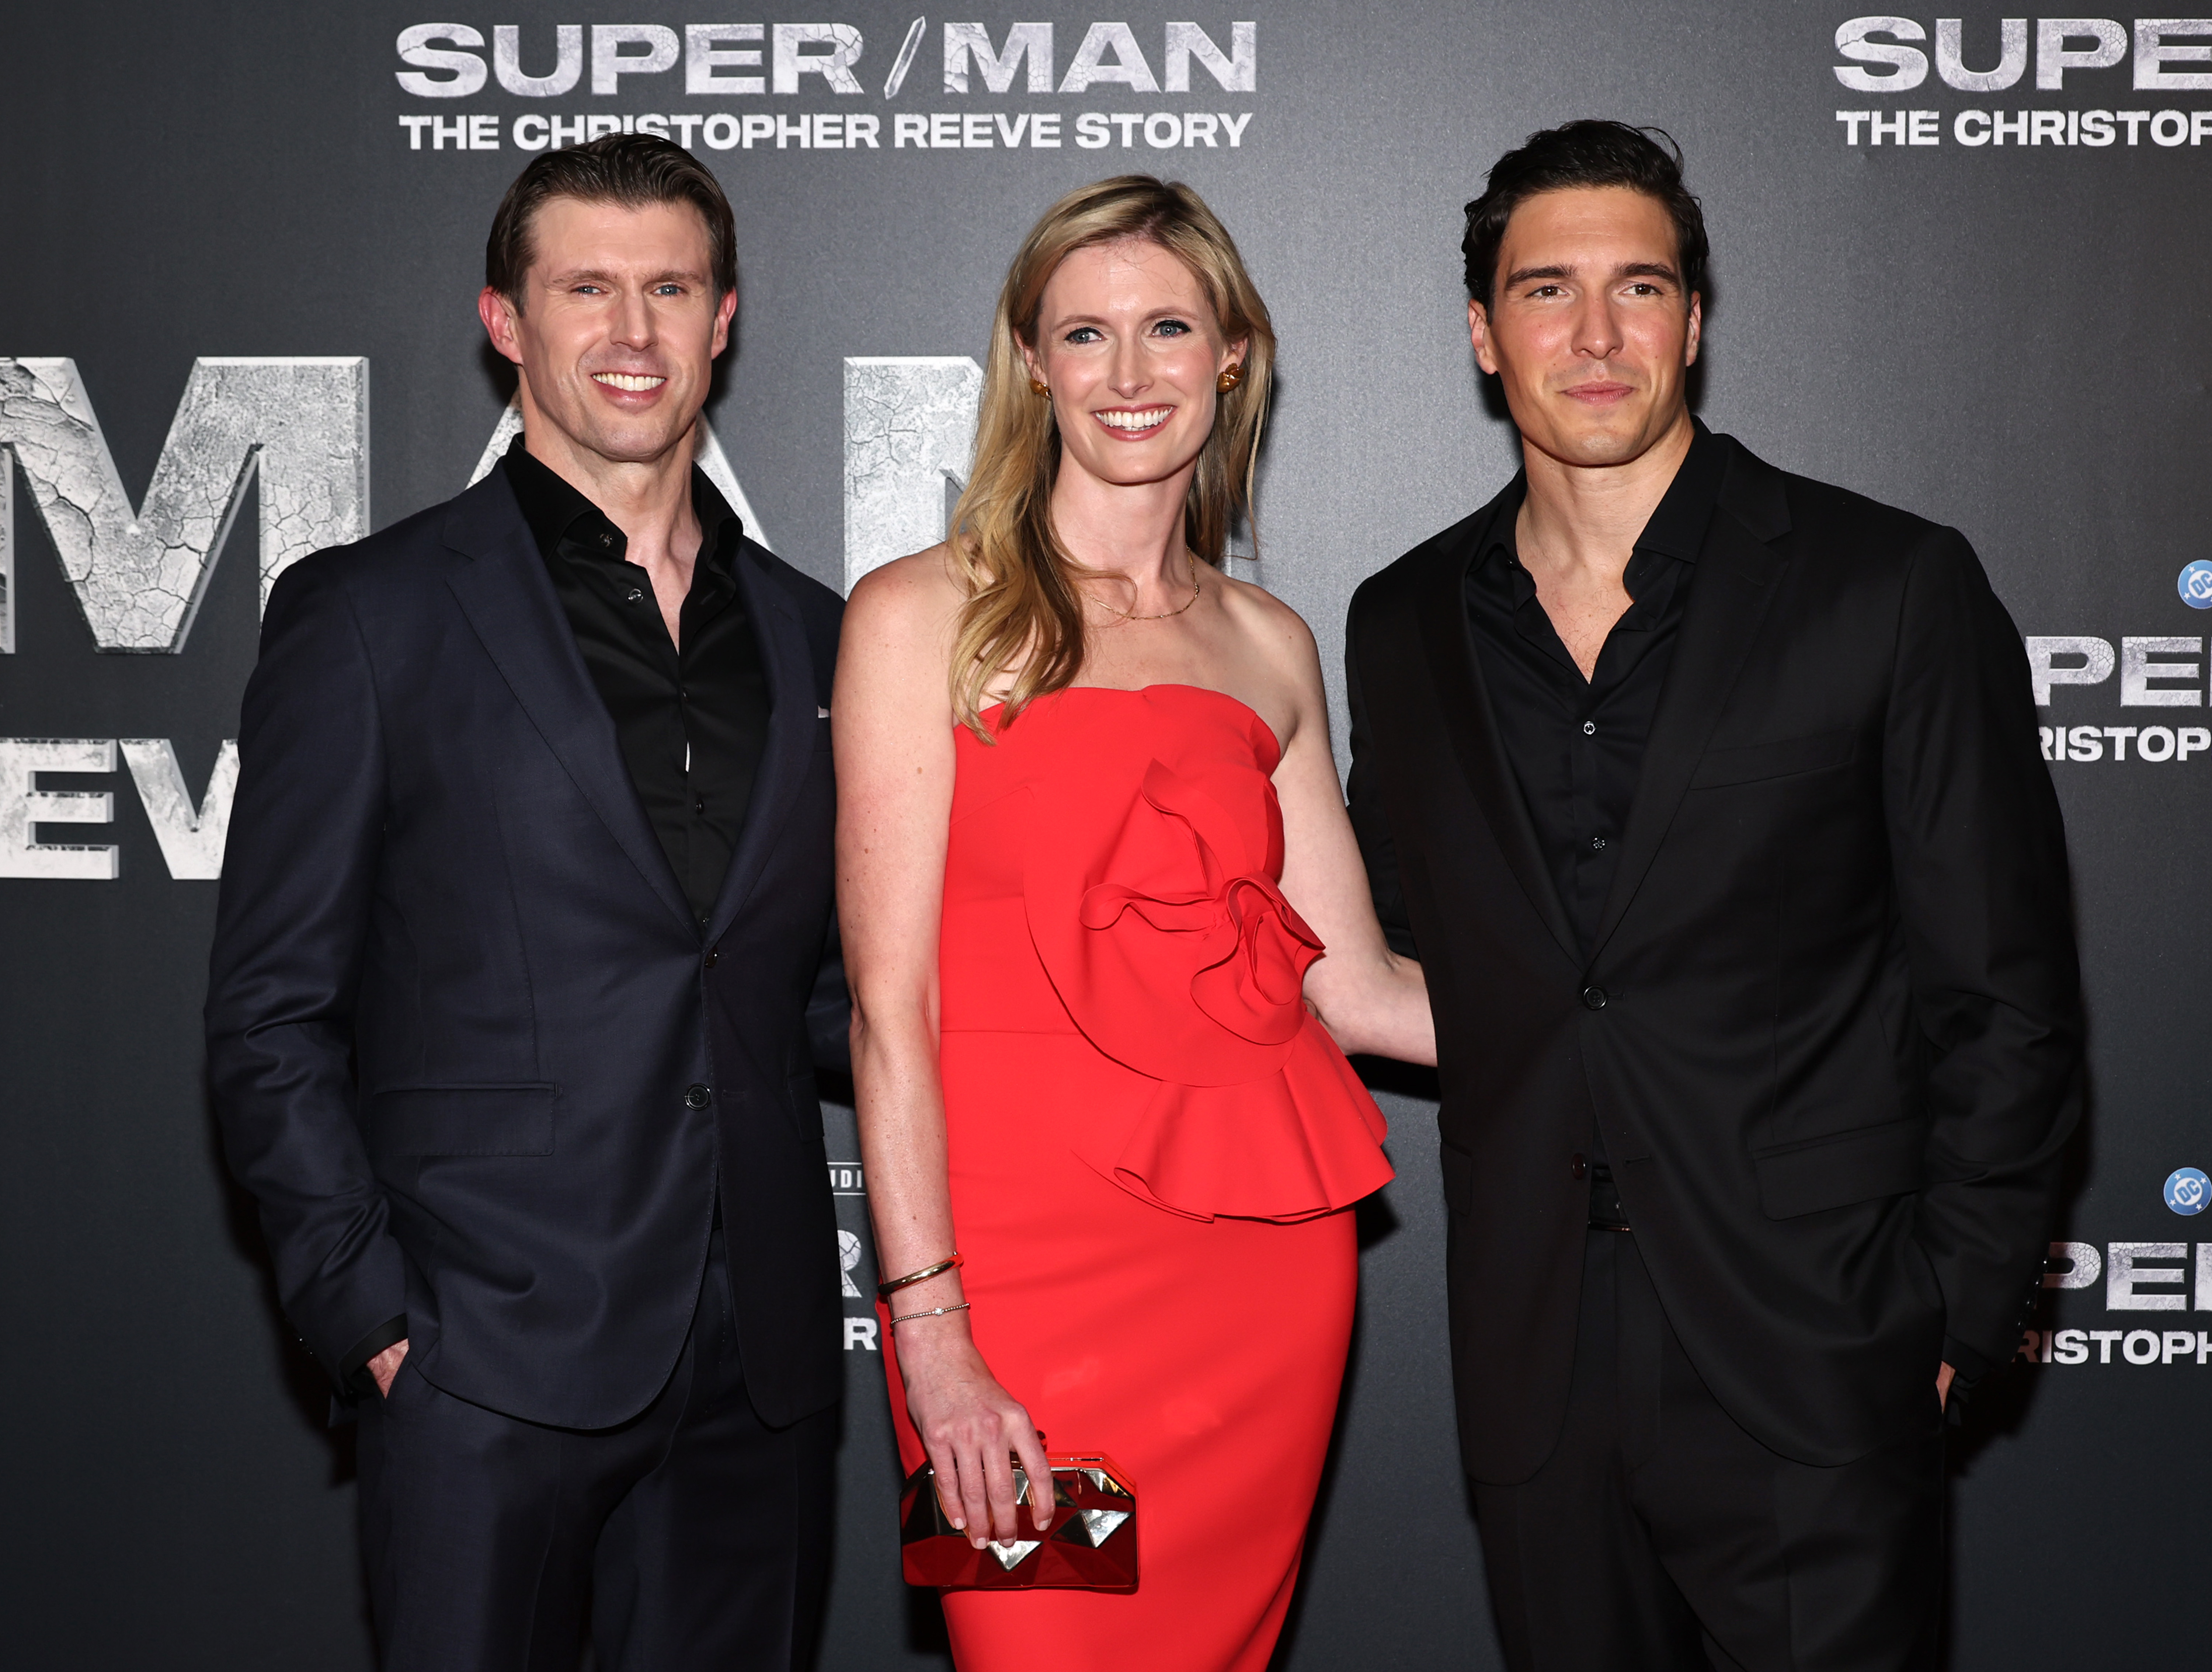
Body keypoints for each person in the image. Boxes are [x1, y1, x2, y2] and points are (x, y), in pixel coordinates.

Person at [1345, 121, 2083, 1671]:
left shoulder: (1887, 584)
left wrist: (1952, 1319)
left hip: (1817, 1349)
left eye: (1642, 288)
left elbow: (2004, 995)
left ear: (1696, 320)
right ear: (1484, 334)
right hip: (1537, 1358)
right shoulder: (1407, 619)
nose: (1597, 336)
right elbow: (1401, 937)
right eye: (1547, 292)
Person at [205, 134, 848, 1671]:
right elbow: (272, 1007)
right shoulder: (373, 612)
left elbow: (812, 991)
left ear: (726, 316)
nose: (632, 332)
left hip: (756, 1365)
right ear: (508, 321)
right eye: (587, 290)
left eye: (670, 289)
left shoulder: (821, 635)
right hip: (485, 1355)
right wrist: (372, 1313)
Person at [835, 174, 1434, 1671]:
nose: (1127, 373)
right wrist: (934, 1337)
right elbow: (886, 1009)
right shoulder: (923, 614)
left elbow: (1356, 990)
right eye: (1083, 333)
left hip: (1258, 1277)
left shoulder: (1269, 643)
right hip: (1015, 1292)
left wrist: (1662, 1016)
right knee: (1041, 1647)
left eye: (1168, 327)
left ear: (1233, 351)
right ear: (1030, 362)